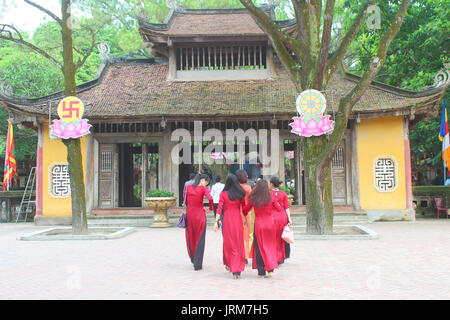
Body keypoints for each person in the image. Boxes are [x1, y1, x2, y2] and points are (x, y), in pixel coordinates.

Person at [243, 179, 281, 278]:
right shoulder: (271, 197)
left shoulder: (254, 198)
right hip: (270, 224)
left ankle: (261, 272)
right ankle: (271, 269)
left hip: (259, 224)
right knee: (270, 246)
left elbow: (245, 210)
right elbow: (279, 208)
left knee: (259, 247)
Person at [214, 174, 247, 279]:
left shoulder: (223, 194)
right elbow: (244, 209)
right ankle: (237, 270)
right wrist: (246, 217)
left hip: (227, 220)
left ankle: (231, 265)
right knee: (238, 243)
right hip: (237, 219)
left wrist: (216, 221)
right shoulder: (240, 194)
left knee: (229, 243)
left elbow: (219, 208)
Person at [185, 174, 213, 271]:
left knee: (191, 237)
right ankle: (198, 264)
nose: (206, 184)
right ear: (202, 180)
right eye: (206, 182)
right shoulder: (203, 189)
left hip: (190, 214)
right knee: (200, 239)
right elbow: (210, 198)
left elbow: (186, 201)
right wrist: (210, 208)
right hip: (200, 215)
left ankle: (193, 259)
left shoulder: (188, 187)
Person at [269, 176, 293, 265]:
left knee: (273, 237)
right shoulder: (283, 194)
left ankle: (274, 256)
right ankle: (281, 257)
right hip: (282, 217)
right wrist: (289, 218)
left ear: (271, 184)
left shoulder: (269, 194)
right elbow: (286, 207)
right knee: (281, 237)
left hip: (272, 217)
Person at [235, 169, 253, 264]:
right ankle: (245, 255)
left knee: (236, 235)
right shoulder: (248, 188)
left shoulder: (234, 188)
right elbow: (251, 201)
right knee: (246, 235)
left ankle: (237, 254)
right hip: (246, 213)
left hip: (236, 213)